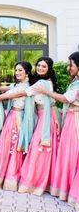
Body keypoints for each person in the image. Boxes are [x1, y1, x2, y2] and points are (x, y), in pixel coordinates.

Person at [34, 52, 79, 202]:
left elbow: (65, 99)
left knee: (71, 153)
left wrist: (46, 92)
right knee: (66, 152)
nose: (69, 67)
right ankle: (64, 188)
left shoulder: (76, 84)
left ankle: (69, 189)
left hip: (75, 121)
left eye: (71, 64)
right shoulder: (75, 81)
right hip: (70, 118)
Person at [16, 57, 60, 195]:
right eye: (39, 65)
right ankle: (45, 182)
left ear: (49, 69)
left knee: (38, 148)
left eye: (44, 67)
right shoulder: (45, 81)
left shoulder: (42, 83)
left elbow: (23, 92)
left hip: (47, 117)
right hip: (47, 115)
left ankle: (34, 183)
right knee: (45, 149)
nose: (40, 68)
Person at [0, 62, 34, 191]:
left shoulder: (26, 88)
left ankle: (11, 180)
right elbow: (2, 89)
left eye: (20, 70)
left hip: (18, 119)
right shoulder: (16, 85)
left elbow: (6, 95)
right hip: (11, 117)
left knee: (14, 148)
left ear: (27, 72)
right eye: (16, 70)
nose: (17, 72)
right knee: (4, 146)